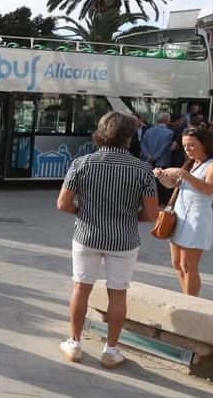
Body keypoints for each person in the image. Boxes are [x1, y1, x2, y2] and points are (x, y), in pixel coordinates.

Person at [56, 111, 159, 369]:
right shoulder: (143, 169)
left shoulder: (82, 163)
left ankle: (75, 343)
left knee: (81, 287)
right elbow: (151, 214)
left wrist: (85, 212)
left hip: (87, 235)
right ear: (129, 136)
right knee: (118, 294)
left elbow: (63, 203)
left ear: (101, 132)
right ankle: (111, 351)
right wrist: (125, 216)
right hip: (124, 239)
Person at [154, 127, 213, 297]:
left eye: (192, 145)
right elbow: (173, 186)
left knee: (188, 263)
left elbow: (209, 190)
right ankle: (185, 296)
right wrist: (163, 176)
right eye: (185, 145)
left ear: (205, 144)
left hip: (197, 218)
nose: (187, 149)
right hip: (179, 216)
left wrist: (183, 174)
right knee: (177, 262)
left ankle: (191, 302)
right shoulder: (192, 164)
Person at [140, 113, 175, 201]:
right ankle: (160, 202)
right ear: (168, 120)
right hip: (162, 162)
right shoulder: (169, 132)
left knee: (147, 182)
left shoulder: (148, 131)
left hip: (147, 161)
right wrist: (155, 157)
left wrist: (147, 155)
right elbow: (164, 147)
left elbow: (142, 143)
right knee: (161, 184)